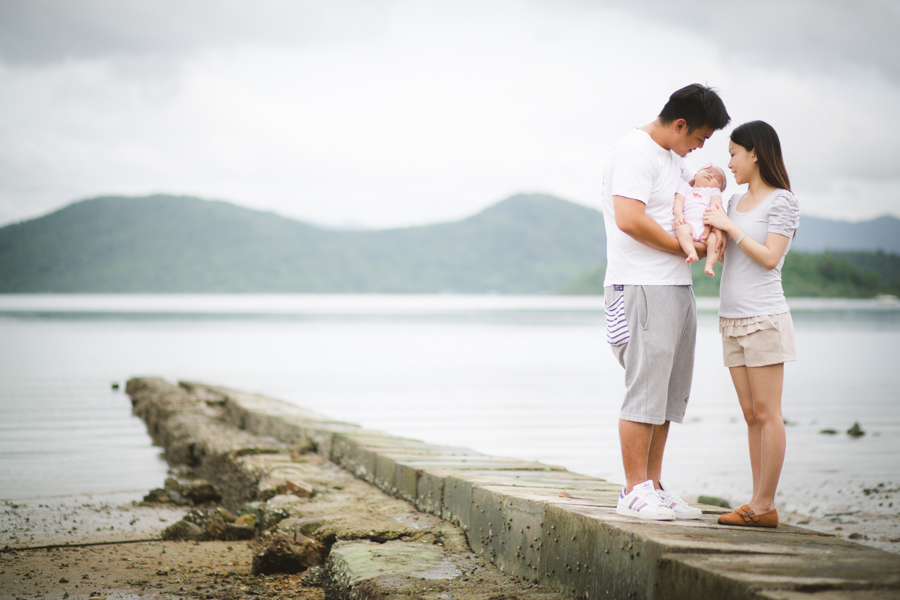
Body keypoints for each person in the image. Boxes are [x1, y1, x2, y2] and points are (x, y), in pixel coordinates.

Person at [601, 83, 730, 520]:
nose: (700, 147)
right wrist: (683, 250)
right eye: (700, 137)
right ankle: (633, 490)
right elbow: (629, 219)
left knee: (668, 396)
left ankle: (652, 485)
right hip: (639, 286)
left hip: (675, 287)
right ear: (680, 124)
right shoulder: (636, 153)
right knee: (644, 391)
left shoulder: (674, 161)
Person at [702, 120, 799, 528]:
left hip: (764, 318)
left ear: (755, 152)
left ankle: (764, 504)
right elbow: (734, 253)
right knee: (749, 414)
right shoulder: (734, 200)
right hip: (732, 319)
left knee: (768, 412)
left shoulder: (782, 202)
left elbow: (770, 256)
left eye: (734, 153)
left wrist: (730, 228)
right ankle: (758, 502)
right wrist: (716, 238)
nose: (730, 163)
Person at [673, 164, 727, 276]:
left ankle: (709, 264)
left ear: (718, 188)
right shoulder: (686, 187)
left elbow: (716, 202)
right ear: (696, 174)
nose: (710, 175)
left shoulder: (712, 192)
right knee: (681, 230)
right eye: (708, 171)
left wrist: (714, 208)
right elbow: (678, 200)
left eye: (716, 179)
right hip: (689, 226)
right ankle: (691, 252)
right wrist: (678, 214)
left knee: (714, 240)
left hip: (705, 229)